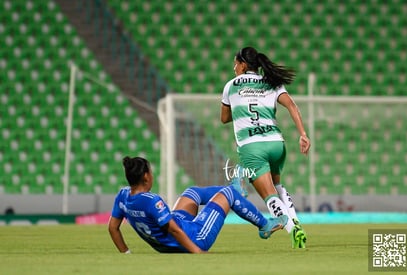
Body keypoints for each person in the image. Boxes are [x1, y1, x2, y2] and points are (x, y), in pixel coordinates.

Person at [220, 46, 311, 248]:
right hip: (276, 144)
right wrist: (303, 134)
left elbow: (224, 118)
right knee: (277, 187)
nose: (234, 67)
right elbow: (292, 106)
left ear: (243, 65)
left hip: (252, 147)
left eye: (235, 63)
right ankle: (296, 222)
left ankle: (291, 228)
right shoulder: (271, 82)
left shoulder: (231, 86)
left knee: (269, 195)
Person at [108, 156, 288, 254]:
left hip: (169, 239)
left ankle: (234, 192)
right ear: (146, 176)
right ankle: (264, 225)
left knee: (191, 192)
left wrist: (126, 253)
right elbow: (174, 230)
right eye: (151, 172)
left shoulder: (123, 196)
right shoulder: (152, 201)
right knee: (228, 195)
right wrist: (196, 251)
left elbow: (113, 228)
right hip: (194, 237)